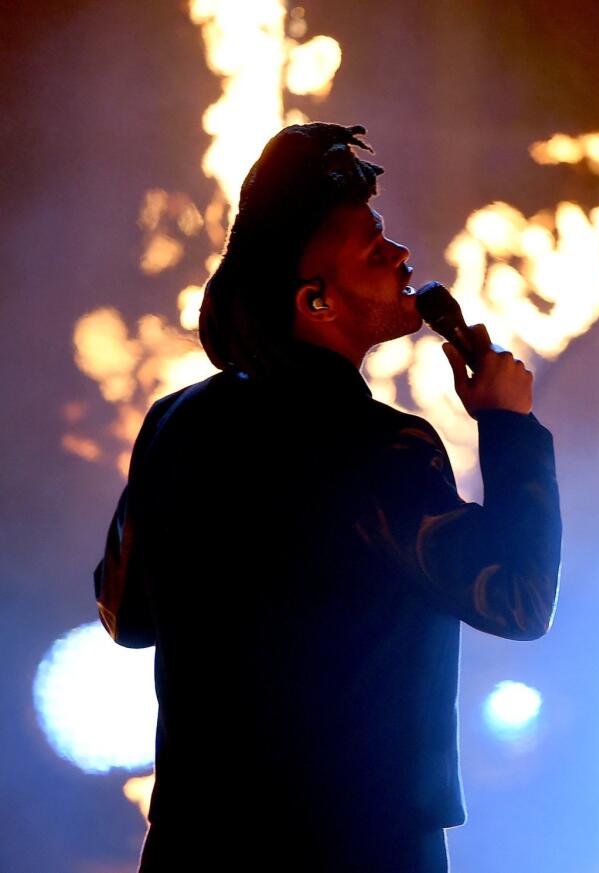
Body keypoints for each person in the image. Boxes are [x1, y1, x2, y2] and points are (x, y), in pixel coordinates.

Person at [93, 123, 562, 872]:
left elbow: (128, 617)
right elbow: (519, 599)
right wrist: (510, 429)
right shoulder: (378, 447)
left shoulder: (174, 422)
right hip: (361, 842)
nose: (402, 256)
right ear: (315, 301)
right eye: (374, 248)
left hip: (198, 841)